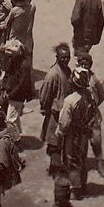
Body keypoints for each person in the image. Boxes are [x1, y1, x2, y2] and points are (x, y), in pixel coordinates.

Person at [55, 66, 98, 200]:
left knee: (72, 160)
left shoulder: (70, 100)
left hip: (72, 134)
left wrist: (59, 134)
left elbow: (65, 123)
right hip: (84, 133)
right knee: (82, 159)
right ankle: (83, 185)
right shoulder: (89, 96)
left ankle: (76, 190)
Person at [38, 44, 74, 174]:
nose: (65, 60)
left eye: (68, 57)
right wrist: (44, 108)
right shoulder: (53, 74)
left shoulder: (67, 71)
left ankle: (58, 165)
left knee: (62, 141)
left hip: (65, 112)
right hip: (55, 113)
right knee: (54, 142)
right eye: (63, 57)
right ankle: (55, 169)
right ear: (57, 57)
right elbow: (45, 94)